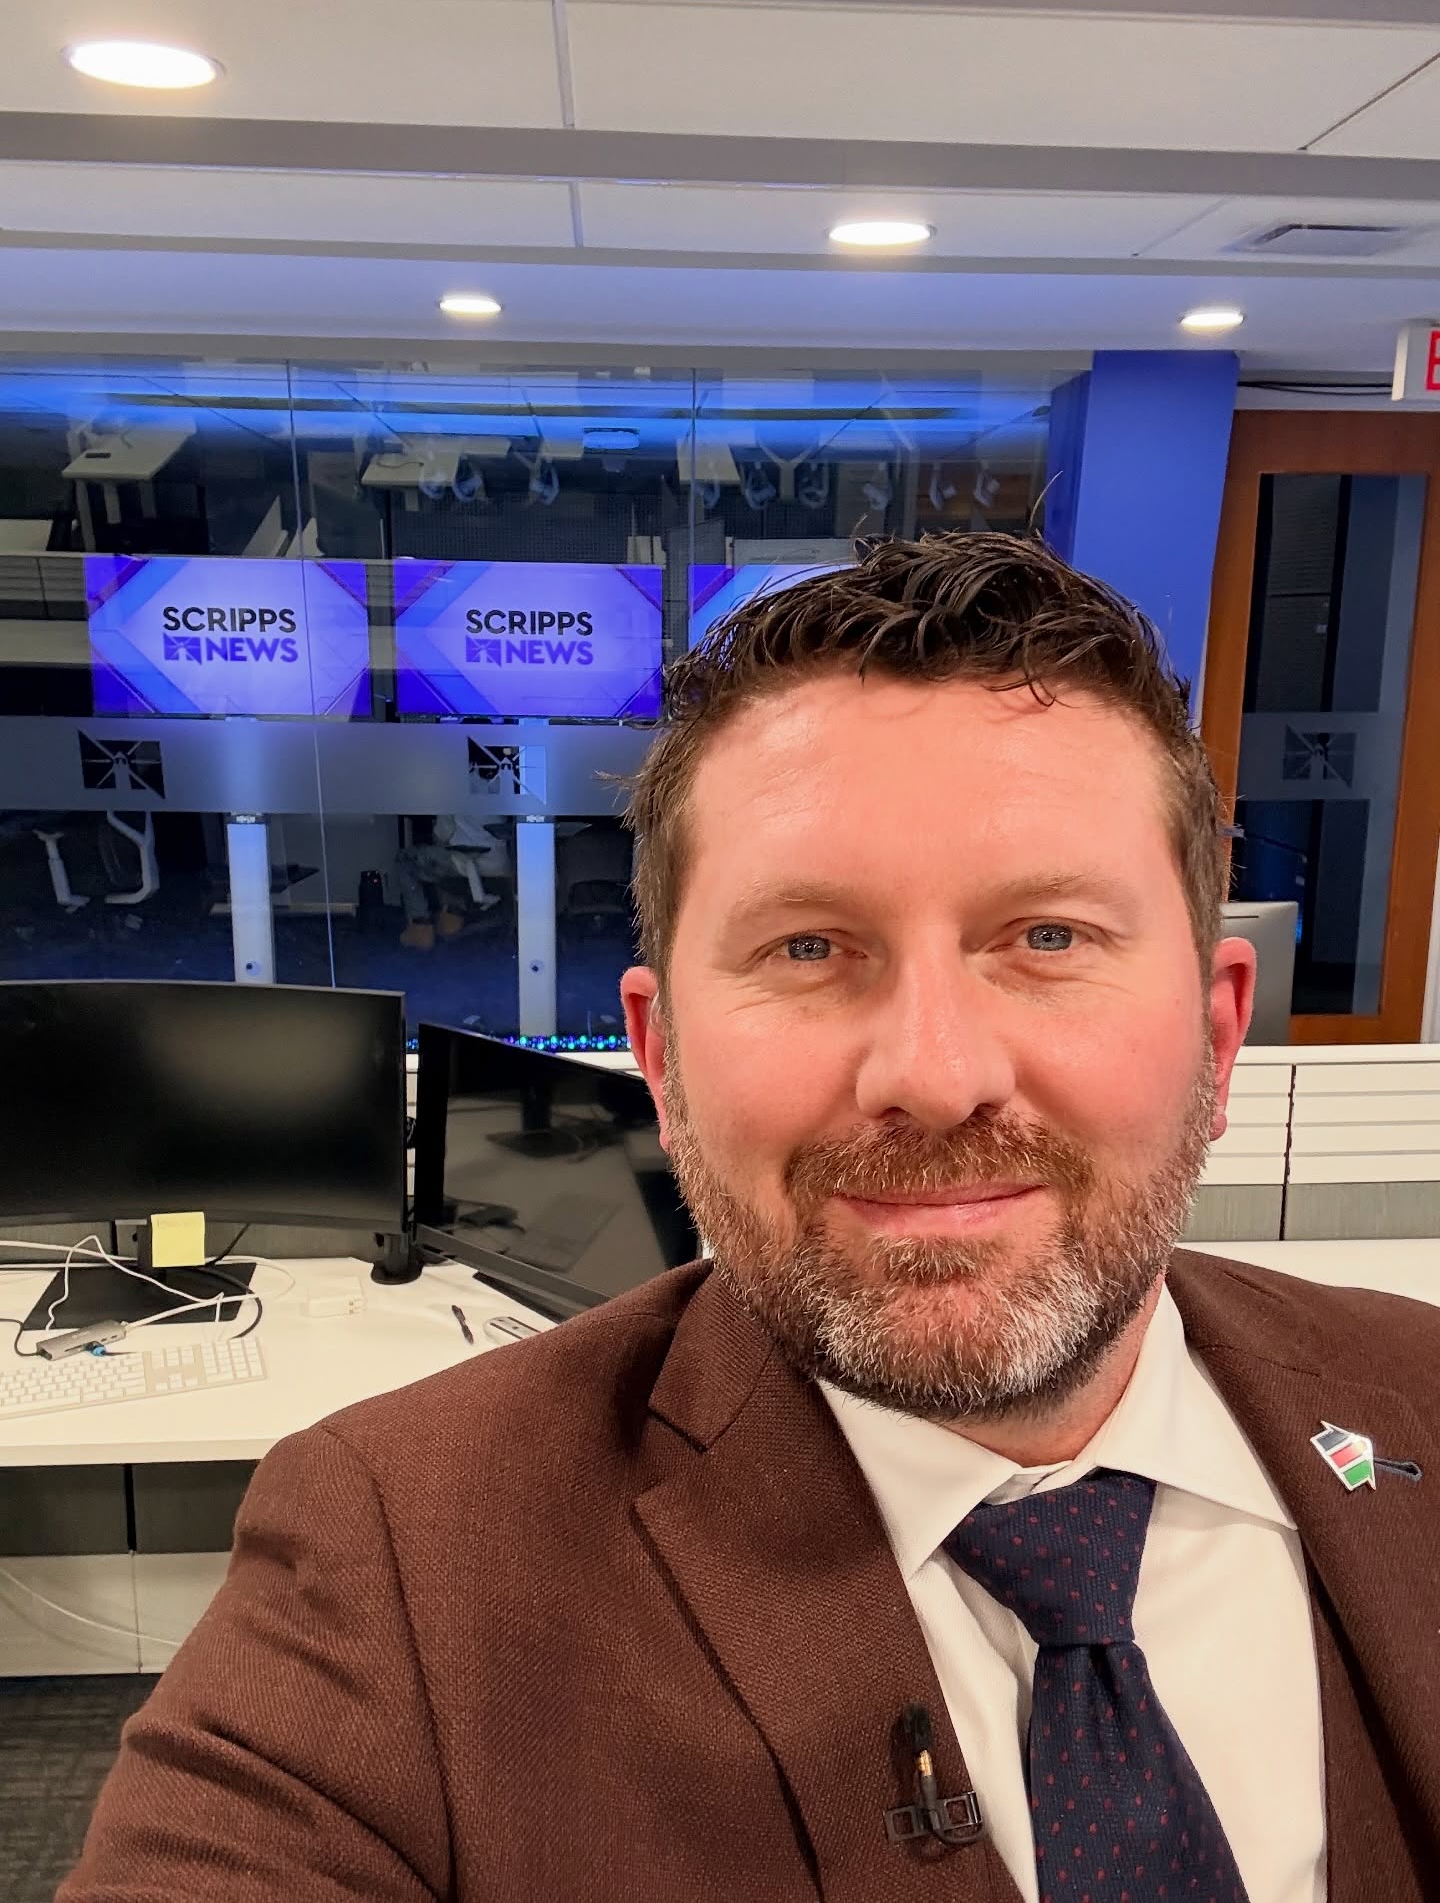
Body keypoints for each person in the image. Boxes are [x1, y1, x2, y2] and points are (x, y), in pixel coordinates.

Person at [59, 533, 1440, 1903]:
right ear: (661, 1063)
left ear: (1218, 1036)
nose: (934, 1076)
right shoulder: (401, 1560)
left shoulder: (1419, 1397)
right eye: (809, 948)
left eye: (1049, 938)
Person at [395, 813, 501, 950]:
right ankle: (452, 915)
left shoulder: (453, 798)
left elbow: (443, 831)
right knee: (445, 856)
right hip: (500, 860)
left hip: (468, 860)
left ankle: (420, 926)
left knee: (406, 858)